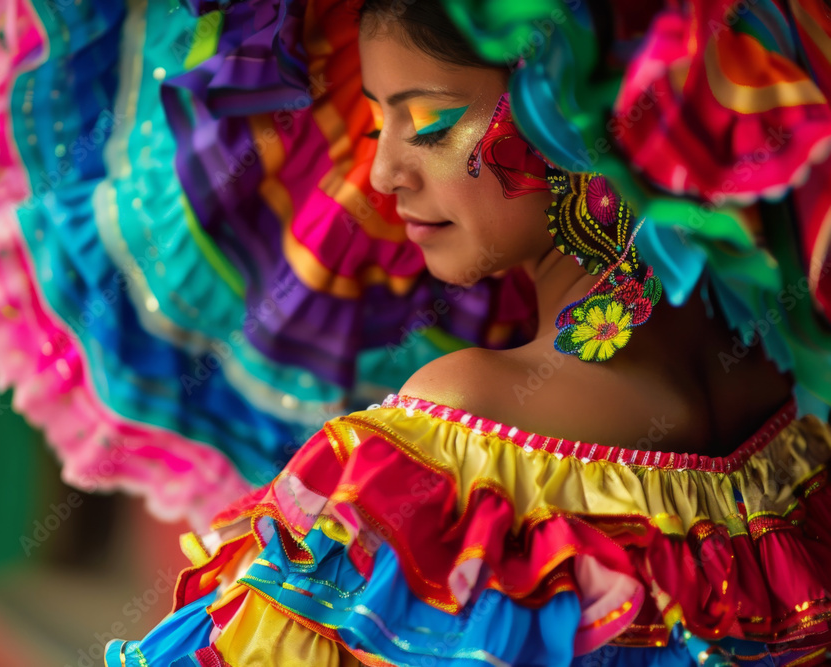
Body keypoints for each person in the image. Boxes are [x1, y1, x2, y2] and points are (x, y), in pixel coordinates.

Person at [101, 1, 831, 665]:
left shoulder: (460, 429)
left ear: (570, 115)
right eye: (375, 124)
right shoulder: (785, 397)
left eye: (429, 123)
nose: (384, 173)